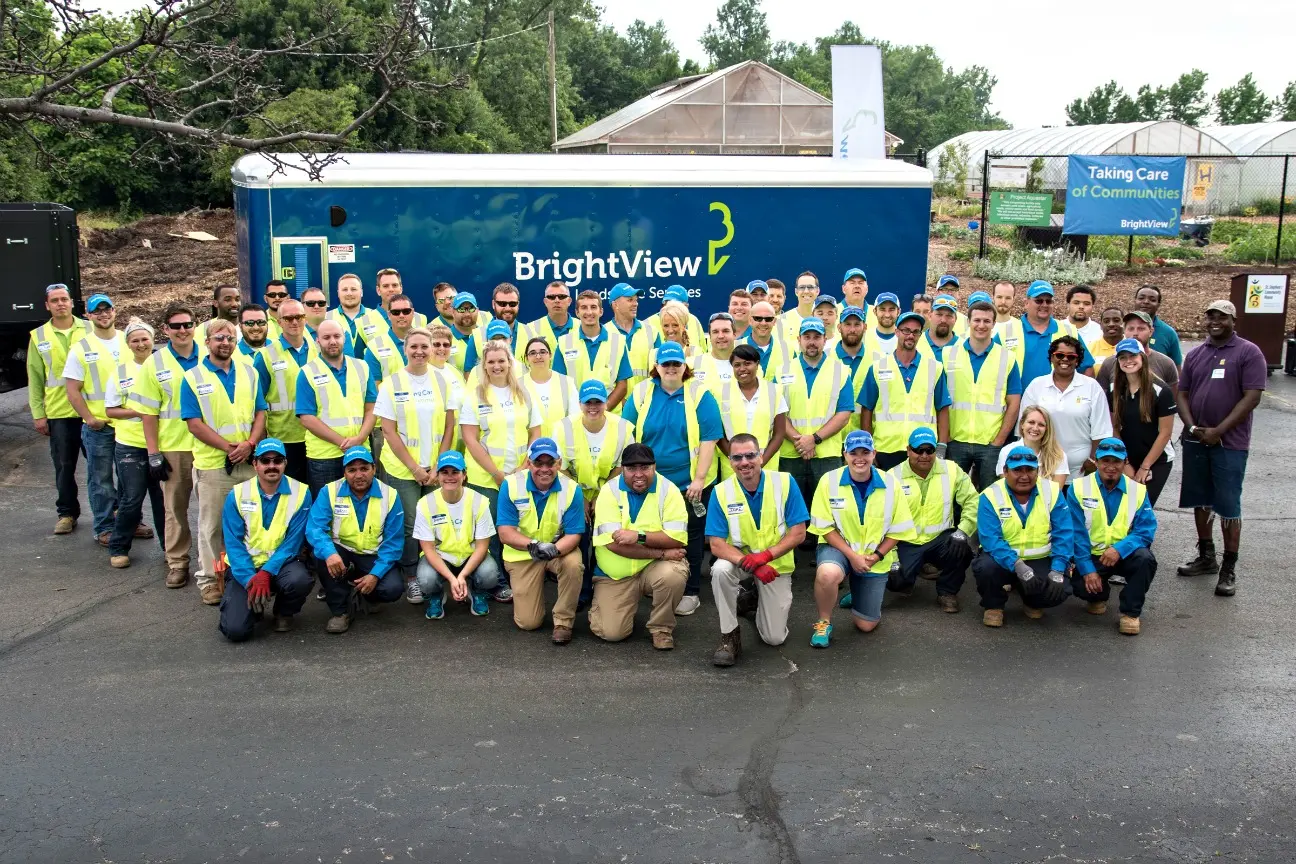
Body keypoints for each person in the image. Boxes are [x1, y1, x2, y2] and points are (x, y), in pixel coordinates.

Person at [623, 341, 723, 616]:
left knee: (690, 536)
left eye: (676, 364)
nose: (670, 368)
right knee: (651, 531)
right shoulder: (642, 392)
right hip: (649, 482)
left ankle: (690, 590)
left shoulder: (700, 393)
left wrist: (699, 479)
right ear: (656, 367)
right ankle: (655, 583)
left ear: (684, 366)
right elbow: (627, 433)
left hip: (689, 484)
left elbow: (709, 439)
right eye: (665, 364)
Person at [1175, 299, 1266, 597]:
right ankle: (1207, 557)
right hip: (1196, 439)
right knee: (1200, 499)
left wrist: (1219, 431)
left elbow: (1252, 397)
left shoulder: (1248, 352)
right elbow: (1182, 393)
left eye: (1222, 317)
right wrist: (1193, 428)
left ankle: (1229, 567)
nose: (1215, 321)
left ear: (1233, 321)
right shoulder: (1196, 354)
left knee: (1227, 505)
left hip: (1230, 442)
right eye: (1211, 316)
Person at [182, 317, 267, 606]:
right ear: (206, 342)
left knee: (250, 523)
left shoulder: (249, 372)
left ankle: (245, 576)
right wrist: (230, 448)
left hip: (248, 461)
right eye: (219, 338)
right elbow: (194, 423)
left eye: (230, 338)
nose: (225, 343)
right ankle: (210, 580)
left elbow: (260, 412)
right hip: (213, 464)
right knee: (213, 527)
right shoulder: (193, 377)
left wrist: (250, 444)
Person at [707, 433, 810, 666]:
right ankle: (729, 636)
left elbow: (799, 533)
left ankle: (750, 598)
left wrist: (765, 557)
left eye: (750, 455)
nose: (744, 462)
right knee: (720, 570)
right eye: (737, 457)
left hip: (774, 565)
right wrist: (753, 565)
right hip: (740, 562)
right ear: (730, 462)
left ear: (761, 456)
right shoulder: (721, 492)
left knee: (774, 638)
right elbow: (716, 544)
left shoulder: (785, 483)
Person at [807, 430, 916, 648]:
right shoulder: (829, 481)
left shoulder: (891, 484)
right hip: (838, 548)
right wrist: (852, 556)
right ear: (844, 455)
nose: (860, 458)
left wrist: (876, 556)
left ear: (874, 454)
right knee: (828, 574)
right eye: (853, 453)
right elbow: (824, 527)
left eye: (865, 452)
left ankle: (857, 592)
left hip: (874, 557)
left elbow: (899, 529)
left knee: (866, 625)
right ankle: (823, 622)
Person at [374, 327, 458, 601]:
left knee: (436, 520)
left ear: (432, 349)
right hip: (403, 469)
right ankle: (412, 576)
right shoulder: (392, 383)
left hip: (435, 469)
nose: (420, 352)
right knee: (410, 523)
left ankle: (436, 574)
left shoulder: (443, 381)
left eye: (425, 346)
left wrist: (439, 465)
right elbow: (388, 431)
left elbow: (449, 427)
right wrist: (415, 468)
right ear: (405, 349)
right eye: (414, 347)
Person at [461, 340, 543, 601]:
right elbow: (470, 439)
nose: (497, 366)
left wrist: (523, 466)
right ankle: (495, 582)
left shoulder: (523, 393)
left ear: (510, 363)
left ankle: (520, 576)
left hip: (519, 474)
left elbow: (535, 431)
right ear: (484, 366)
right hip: (485, 478)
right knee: (492, 532)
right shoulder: (475, 396)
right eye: (491, 362)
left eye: (501, 360)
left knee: (518, 526)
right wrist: (497, 474)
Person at [589, 443, 689, 649]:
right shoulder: (609, 491)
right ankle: (608, 607)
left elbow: (677, 539)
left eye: (644, 467)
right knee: (612, 633)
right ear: (622, 469)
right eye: (631, 468)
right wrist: (662, 553)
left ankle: (661, 628)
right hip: (615, 574)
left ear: (654, 466)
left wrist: (639, 536)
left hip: (652, 569)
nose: (638, 474)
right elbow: (613, 545)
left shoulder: (669, 490)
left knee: (673, 574)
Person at [218, 438, 314, 641]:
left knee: (300, 580)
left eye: (277, 460)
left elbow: (293, 542)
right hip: (245, 567)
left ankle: (284, 612)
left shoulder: (301, 493)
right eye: (265, 461)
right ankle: (254, 606)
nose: (272, 466)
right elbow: (233, 544)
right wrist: (249, 579)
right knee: (235, 631)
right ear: (255, 464)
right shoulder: (237, 494)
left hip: (282, 566)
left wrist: (266, 573)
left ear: (285, 463)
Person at [134, 304, 200, 587]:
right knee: (175, 509)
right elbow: (148, 414)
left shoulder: (210, 355)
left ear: (195, 326)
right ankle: (177, 562)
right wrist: (153, 453)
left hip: (210, 445)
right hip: (175, 447)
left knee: (216, 509)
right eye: (176, 326)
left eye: (187, 324)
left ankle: (219, 563)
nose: (182, 330)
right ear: (165, 330)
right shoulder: (155, 363)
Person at [553, 380, 635, 608]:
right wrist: (581, 498)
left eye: (597, 402)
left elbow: (623, 465)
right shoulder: (564, 427)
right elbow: (560, 467)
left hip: (610, 490)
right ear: (580, 404)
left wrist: (601, 497)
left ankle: (603, 586)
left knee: (605, 539)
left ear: (606, 403)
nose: (593, 407)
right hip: (574, 491)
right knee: (579, 538)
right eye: (587, 402)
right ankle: (581, 589)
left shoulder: (623, 427)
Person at [306, 445, 405, 633]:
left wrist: (375, 574)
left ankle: (366, 594)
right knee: (321, 554)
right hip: (341, 553)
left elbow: (394, 543)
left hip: (372, 556)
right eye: (352, 470)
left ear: (374, 469)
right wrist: (329, 553)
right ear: (344, 472)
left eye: (364, 468)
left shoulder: (390, 495)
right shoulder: (330, 491)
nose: (359, 475)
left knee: (392, 588)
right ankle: (340, 611)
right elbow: (315, 528)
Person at [973, 445, 1074, 627]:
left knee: (1060, 589)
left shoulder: (1052, 491)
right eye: (1017, 470)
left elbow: (1064, 533)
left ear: (1037, 471)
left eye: (1030, 470)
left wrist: (1058, 569)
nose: (1024, 476)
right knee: (985, 568)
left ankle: (1031, 600)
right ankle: (994, 605)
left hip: (1039, 558)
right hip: (1002, 559)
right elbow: (990, 539)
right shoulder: (990, 495)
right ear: (1005, 471)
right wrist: (1018, 566)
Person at [496, 438, 586, 642]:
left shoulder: (572, 489)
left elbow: (574, 535)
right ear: (529, 463)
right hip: (523, 554)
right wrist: (534, 546)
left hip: (557, 550)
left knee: (574, 564)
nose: (544, 469)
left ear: (559, 464)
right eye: (538, 463)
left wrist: (554, 550)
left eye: (550, 463)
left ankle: (563, 622)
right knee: (528, 623)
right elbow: (505, 533)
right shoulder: (511, 485)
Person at [1067, 438, 1157, 635]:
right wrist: (1087, 569)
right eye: (1105, 461)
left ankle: (1130, 613)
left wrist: (1119, 549)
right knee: (1081, 585)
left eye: (1116, 461)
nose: (1110, 467)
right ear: (1096, 461)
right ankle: (1098, 595)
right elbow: (1076, 533)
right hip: (1092, 555)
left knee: (1145, 559)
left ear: (1125, 462)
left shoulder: (1138, 490)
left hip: (1123, 553)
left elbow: (1145, 530)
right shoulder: (1078, 487)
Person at [886, 427, 978, 612]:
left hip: (940, 539)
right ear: (908, 450)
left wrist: (963, 531)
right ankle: (910, 576)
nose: (924, 455)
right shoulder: (891, 476)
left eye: (929, 450)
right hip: (905, 541)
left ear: (936, 450)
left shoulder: (951, 469)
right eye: (918, 450)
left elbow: (973, 501)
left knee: (962, 550)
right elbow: (882, 521)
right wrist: (892, 558)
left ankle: (947, 592)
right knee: (895, 581)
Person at [774, 318, 855, 518]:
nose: (812, 342)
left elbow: (844, 414)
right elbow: (777, 412)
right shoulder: (782, 371)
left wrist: (814, 439)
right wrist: (800, 441)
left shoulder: (841, 371)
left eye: (817, 337)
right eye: (807, 337)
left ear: (825, 340)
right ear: (799, 339)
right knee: (791, 512)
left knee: (828, 512)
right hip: (791, 454)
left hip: (827, 455)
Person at [63, 292, 126, 548]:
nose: (103, 314)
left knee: (129, 480)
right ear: (88, 316)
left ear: (114, 311)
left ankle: (129, 522)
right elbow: (72, 390)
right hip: (100, 427)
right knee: (101, 480)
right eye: (96, 311)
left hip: (127, 425)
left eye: (106, 308)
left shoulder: (126, 340)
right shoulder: (81, 348)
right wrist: (89, 419)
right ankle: (105, 526)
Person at [102, 317, 165, 569]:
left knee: (163, 501)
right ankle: (119, 547)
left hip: (162, 443)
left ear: (153, 340)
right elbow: (110, 410)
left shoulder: (164, 367)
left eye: (144, 339)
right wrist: (140, 411)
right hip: (131, 444)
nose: (141, 344)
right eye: (135, 340)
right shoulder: (120, 373)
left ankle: (170, 549)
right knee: (132, 498)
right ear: (128, 344)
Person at [27, 283, 88, 535]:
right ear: (47, 305)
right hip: (59, 412)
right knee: (64, 466)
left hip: (91, 411)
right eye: (55, 300)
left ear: (72, 303)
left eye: (64, 299)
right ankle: (67, 513)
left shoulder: (90, 329)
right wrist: (38, 414)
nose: (60, 304)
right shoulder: (38, 336)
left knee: (102, 467)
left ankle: (114, 510)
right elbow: (35, 377)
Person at [858, 311, 951, 471]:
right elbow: (866, 410)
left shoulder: (934, 368)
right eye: (906, 330)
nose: (911, 336)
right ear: (896, 332)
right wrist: (868, 447)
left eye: (916, 332)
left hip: (923, 449)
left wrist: (941, 446)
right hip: (886, 448)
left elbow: (942, 408)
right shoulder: (878, 368)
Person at [944, 300, 1022, 490]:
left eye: (987, 321)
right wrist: (946, 437)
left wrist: (999, 440)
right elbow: (940, 400)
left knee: (990, 495)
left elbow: (1014, 402)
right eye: (977, 320)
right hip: (956, 440)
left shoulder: (1007, 358)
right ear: (968, 322)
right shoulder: (948, 354)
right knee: (953, 495)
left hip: (990, 443)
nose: (981, 325)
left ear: (994, 324)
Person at [414, 451, 500, 620]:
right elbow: (428, 549)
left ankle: (477, 592)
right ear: (438, 476)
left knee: (489, 574)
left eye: (455, 472)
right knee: (426, 579)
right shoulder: (425, 503)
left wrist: (462, 576)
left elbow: (482, 547)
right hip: (440, 555)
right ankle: (436, 595)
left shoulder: (480, 501)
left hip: (470, 555)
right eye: (444, 472)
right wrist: (452, 579)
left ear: (464, 474)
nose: (450, 477)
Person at [296, 319, 377, 497]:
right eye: (326, 337)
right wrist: (343, 442)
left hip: (360, 451)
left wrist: (360, 438)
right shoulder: (307, 372)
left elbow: (371, 408)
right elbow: (307, 418)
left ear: (344, 338)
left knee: (363, 505)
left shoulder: (362, 367)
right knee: (328, 507)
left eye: (336, 336)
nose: (332, 341)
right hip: (324, 457)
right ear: (317, 341)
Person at [1020, 335, 1112, 481]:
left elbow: (1101, 429)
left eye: (1071, 356)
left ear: (1077, 360)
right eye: (1059, 355)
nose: (1065, 359)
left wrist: (1093, 460)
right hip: (1042, 468)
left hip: (1080, 471)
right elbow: (1024, 428)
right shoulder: (1036, 386)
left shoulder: (1092, 387)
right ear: (1052, 357)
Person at [252, 299, 318, 483]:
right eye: (288, 318)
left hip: (318, 436)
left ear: (305, 318)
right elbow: (257, 404)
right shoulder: (265, 356)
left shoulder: (319, 350)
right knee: (290, 492)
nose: (294, 322)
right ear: (279, 322)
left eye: (299, 317)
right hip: (283, 438)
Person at [1106, 339, 1175, 505]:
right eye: (1123, 357)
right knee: (1123, 508)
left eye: (1133, 356)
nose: (1128, 361)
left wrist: (1145, 467)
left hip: (1157, 459)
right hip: (1127, 457)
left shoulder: (1161, 390)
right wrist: (1125, 463)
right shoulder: (1114, 390)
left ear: (1142, 357)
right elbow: (1114, 428)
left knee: (1142, 508)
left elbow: (1165, 433)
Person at [997, 281, 1094, 388]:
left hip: (1060, 397)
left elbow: (1087, 368)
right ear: (1026, 303)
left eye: (1048, 301)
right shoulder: (1006, 332)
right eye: (1039, 301)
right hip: (1018, 397)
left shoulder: (1069, 331)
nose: (1044, 305)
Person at [553, 289, 633, 410]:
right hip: (576, 415)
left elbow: (622, 386)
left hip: (609, 415)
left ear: (601, 311)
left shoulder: (619, 341)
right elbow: (559, 384)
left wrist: (602, 409)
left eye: (593, 307)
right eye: (584, 307)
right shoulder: (564, 342)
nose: (589, 312)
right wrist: (580, 411)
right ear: (577, 312)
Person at [716, 344, 787, 478]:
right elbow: (718, 434)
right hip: (733, 468)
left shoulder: (774, 391)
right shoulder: (720, 393)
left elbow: (779, 433)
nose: (742, 368)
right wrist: (737, 461)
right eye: (737, 365)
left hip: (766, 466)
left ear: (757, 364)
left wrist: (760, 462)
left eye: (747, 363)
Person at [1096, 311, 1179, 392]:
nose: (1135, 333)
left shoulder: (1166, 363)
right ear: (1124, 331)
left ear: (1151, 331)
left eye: (1141, 329)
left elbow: (1173, 397)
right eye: (1131, 329)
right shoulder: (1109, 363)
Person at [996, 405, 1070, 485]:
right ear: (1022, 424)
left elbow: (1056, 490)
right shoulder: (1007, 451)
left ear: (1046, 429)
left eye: (1041, 425)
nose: (1035, 428)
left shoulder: (1058, 456)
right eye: (1031, 422)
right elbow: (1007, 486)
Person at [521, 337, 579, 435]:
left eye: (543, 352)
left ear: (550, 355)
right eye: (532, 353)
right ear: (527, 358)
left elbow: (575, 418)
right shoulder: (518, 385)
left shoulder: (567, 382)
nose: (538, 356)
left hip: (561, 443)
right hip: (532, 443)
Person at [608, 282, 660, 388]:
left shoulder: (652, 332)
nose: (635, 304)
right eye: (630, 300)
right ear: (615, 305)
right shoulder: (604, 333)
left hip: (645, 397)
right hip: (615, 398)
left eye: (636, 300)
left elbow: (661, 369)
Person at [364, 293, 415, 385]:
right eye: (396, 312)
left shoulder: (427, 342)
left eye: (406, 311)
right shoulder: (374, 346)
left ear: (413, 312)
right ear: (389, 315)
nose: (401, 315)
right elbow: (374, 387)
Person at [737, 300, 796, 374]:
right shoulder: (735, 347)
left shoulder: (788, 350)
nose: (763, 323)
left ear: (774, 321)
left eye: (768, 319)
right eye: (758, 318)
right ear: (750, 320)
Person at [645, 285, 706, 352]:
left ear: (686, 307)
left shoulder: (694, 321)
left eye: (676, 306)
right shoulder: (648, 323)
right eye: (666, 303)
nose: (670, 308)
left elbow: (704, 351)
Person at [1134, 284, 1183, 366]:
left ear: (1158, 305)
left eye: (1152, 300)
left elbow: (1176, 367)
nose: (1146, 302)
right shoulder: (1122, 329)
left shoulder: (1169, 333)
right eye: (1141, 298)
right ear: (1135, 300)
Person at [325, 273, 369, 358]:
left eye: (353, 289)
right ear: (338, 293)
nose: (349, 293)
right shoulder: (326, 318)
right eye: (345, 290)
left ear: (361, 292)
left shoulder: (374, 316)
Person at [691, 312, 736, 393]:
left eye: (725, 331)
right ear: (710, 336)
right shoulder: (692, 364)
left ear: (734, 334)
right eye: (715, 332)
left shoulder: (747, 364)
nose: (721, 336)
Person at [649, 301, 703, 366]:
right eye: (666, 326)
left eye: (675, 325)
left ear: (684, 326)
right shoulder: (654, 354)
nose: (670, 330)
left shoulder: (695, 352)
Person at [526, 280, 576, 351]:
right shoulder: (530, 328)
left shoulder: (582, 326)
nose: (557, 300)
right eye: (551, 297)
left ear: (569, 301)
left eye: (561, 296)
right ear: (545, 302)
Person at [195, 284, 242, 355]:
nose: (234, 304)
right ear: (216, 303)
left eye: (237, 299)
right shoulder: (203, 329)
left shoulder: (249, 327)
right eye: (228, 300)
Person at [489, 282, 529, 360]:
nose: (507, 308)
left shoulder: (531, 333)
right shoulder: (478, 336)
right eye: (502, 304)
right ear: (493, 304)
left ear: (518, 305)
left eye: (512, 304)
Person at [448, 292, 484, 375]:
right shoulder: (445, 339)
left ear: (478, 310)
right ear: (452, 312)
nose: (467, 314)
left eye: (471, 309)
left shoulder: (486, 335)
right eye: (461, 309)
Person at [780, 271, 820, 342]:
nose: (806, 291)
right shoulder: (782, 320)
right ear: (796, 291)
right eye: (802, 287)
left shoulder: (826, 319)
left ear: (817, 291)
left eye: (810, 287)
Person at [923, 295, 960, 360]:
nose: (943, 320)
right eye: (939, 314)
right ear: (930, 315)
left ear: (955, 319)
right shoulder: (916, 343)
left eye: (949, 316)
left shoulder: (964, 347)